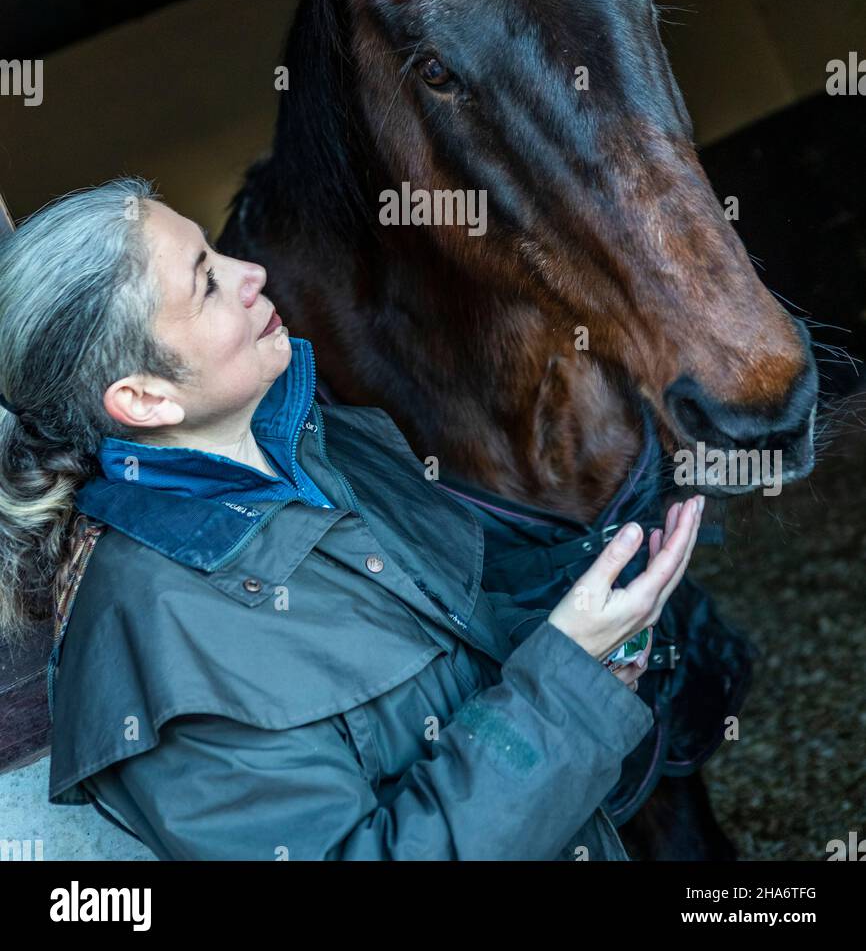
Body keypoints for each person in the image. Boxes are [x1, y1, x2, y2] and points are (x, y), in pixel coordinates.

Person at [0, 176, 703, 861]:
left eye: (215, 253)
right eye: (208, 283)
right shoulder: (155, 644)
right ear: (146, 400)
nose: (251, 272)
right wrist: (566, 685)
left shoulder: (319, 444)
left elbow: (454, 641)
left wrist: (597, 609)